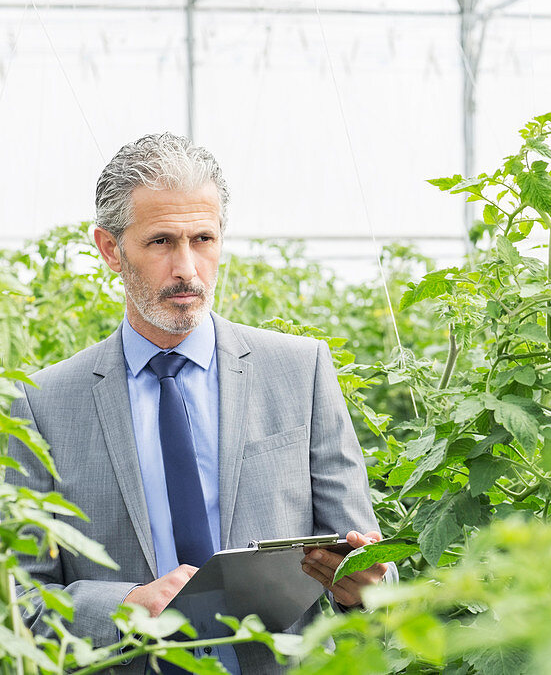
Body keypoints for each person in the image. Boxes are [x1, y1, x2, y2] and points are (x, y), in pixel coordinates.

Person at [8, 133, 390, 673]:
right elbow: (18, 600)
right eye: (162, 241)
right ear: (110, 249)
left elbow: (371, 566)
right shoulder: (43, 403)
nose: (187, 268)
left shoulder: (298, 371)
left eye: (203, 239)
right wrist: (120, 608)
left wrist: (363, 585)